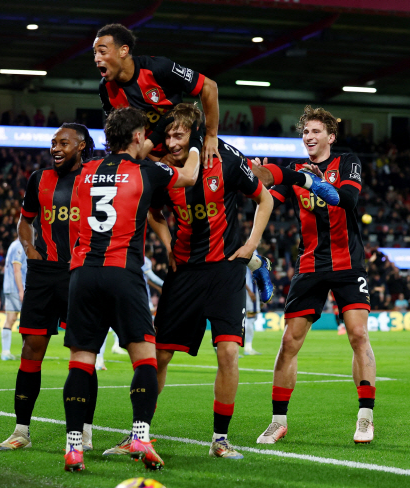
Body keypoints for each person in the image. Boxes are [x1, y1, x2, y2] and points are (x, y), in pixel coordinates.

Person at [62, 106, 202, 472]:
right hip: (121, 271)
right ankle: (140, 434)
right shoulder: (148, 170)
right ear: (139, 136)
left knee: (81, 362)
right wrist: (200, 142)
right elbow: (189, 175)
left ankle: (73, 446)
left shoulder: (85, 171)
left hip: (82, 273)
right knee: (145, 358)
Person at [141, 103, 273, 460]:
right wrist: (168, 244)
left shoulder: (226, 158)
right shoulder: (160, 167)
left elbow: (265, 198)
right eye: (167, 134)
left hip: (224, 269)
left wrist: (251, 245)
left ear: (195, 134)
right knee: (160, 355)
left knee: (229, 352)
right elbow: (153, 212)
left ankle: (220, 440)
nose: (170, 141)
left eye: (178, 134)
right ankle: (140, 435)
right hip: (184, 271)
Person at [251, 105, 376, 444]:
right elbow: (266, 199)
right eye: (305, 132)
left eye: (316, 131)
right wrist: (258, 181)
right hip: (310, 265)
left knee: (357, 335)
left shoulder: (347, 161)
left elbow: (347, 199)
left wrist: (309, 181)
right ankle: (278, 421)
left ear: (330, 137)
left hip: (348, 264)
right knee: (289, 340)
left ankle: (365, 417)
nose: (309, 136)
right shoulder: (293, 171)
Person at [0, 123, 97, 452]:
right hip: (43, 273)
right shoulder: (38, 179)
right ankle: (21, 431)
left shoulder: (95, 177)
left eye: (63, 143)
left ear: (81, 146)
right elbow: (25, 219)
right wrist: (29, 250)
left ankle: (85, 430)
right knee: (30, 349)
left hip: (79, 273)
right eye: (53, 142)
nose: (55, 147)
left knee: (82, 353)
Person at [93, 23, 221, 165]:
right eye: (95, 53)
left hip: (186, 148)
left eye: (102, 52)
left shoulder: (158, 68)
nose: (96, 59)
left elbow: (209, 86)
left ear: (123, 51)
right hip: (151, 159)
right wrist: (158, 161)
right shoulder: (105, 88)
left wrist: (211, 135)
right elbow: (122, 134)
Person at [1, 236, 27, 360]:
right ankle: (26, 352)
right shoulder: (19, 246)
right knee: (27, 319)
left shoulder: (13, 245)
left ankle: (5, 352)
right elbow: (17, 270)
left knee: (10, 319)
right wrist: (21, 290)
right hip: (16, 288)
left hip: (10, 287)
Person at [244, 266, 262, 355]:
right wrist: (250, 292)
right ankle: (247, 347)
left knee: (251, 319)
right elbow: (241, 279)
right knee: (249, 320)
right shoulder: (244, 263)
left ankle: (248, 347)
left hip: (253, 293)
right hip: (248, 295)